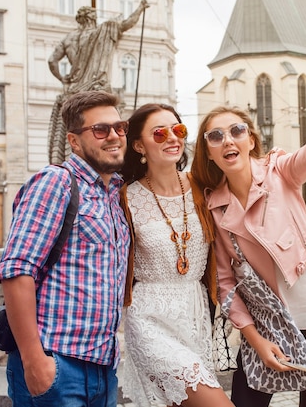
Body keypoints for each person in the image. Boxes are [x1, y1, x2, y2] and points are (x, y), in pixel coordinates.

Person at [192, 72, 306, 407]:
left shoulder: (281, 170)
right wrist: (254, 338)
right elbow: (224, 282)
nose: (228, 141)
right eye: (216, 136)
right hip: (267, 322)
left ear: (251, 139)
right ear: (208, 151)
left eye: (236, 131)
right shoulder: (213, 207)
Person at [0, 91, 131, 407]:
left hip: (103, 365)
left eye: (119, 127)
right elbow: (16, 270)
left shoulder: (113, 194)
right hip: (57, 361)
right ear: (73, 140)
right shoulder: (56, 182)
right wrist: (35, 361)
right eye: (100, 130)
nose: (113, 136)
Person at [118, 103, 233, 406]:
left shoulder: (203, 186)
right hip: (148, 320)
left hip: (195, 313)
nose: (172, 137)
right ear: (139, 145)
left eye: (178, 129)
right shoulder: (124, 198)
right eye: (160, 133)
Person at [47, 1, 149, 164]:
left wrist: (63, 78)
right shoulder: (104, 29)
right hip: (96, 88)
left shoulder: (69, 38)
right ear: (92, 18)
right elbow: (128, 23)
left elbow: (52, 61)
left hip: (74, 90)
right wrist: (140, 8)